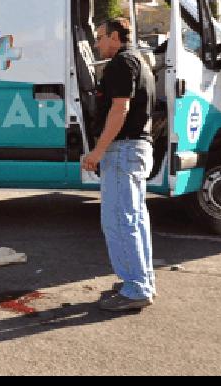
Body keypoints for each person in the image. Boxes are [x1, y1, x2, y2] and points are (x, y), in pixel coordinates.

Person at [81, 18, 157, 312]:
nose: (98, 44)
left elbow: (119, 108)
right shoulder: (139, 61)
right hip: (136, 149)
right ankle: (140, 280)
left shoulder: (121, 65)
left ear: (115, 36)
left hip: (123, 150)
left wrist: (98, 152)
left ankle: (136, 288)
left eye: (100, 37)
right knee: (135, 219)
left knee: (119, 221)